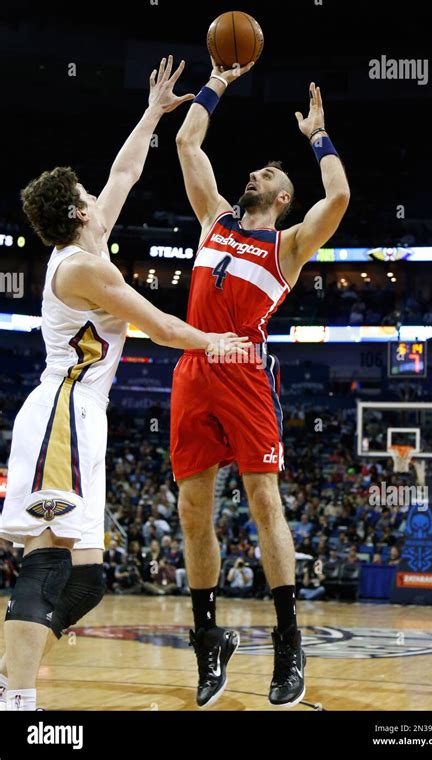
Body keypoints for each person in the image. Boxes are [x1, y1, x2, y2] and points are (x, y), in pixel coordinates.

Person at [0, 56, 249, 711]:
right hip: (64, 411)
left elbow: (125, 171)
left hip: (81, 415)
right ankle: (15, 696)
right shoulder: (84, 270)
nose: (94, 193)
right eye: (85, 193)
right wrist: (217, 341)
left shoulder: (89, 241)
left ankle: (13, 669)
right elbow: (163, 328)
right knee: (50, 564)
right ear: (79, 213)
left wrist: (152, 111)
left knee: (87, 585)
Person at [172, 55, 349, 707]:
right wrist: (218, 79)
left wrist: (318, 137)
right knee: (194, 513)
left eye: (266, 175)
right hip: (193, 366)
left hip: (243, 369)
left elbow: (340, 198)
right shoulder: (213, 219)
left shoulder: (290, 245)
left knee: (263, 501)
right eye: (255, 169)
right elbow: (189, 141)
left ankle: (288, 642)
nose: (253, 174)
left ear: (280, 198)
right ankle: (208, 639)